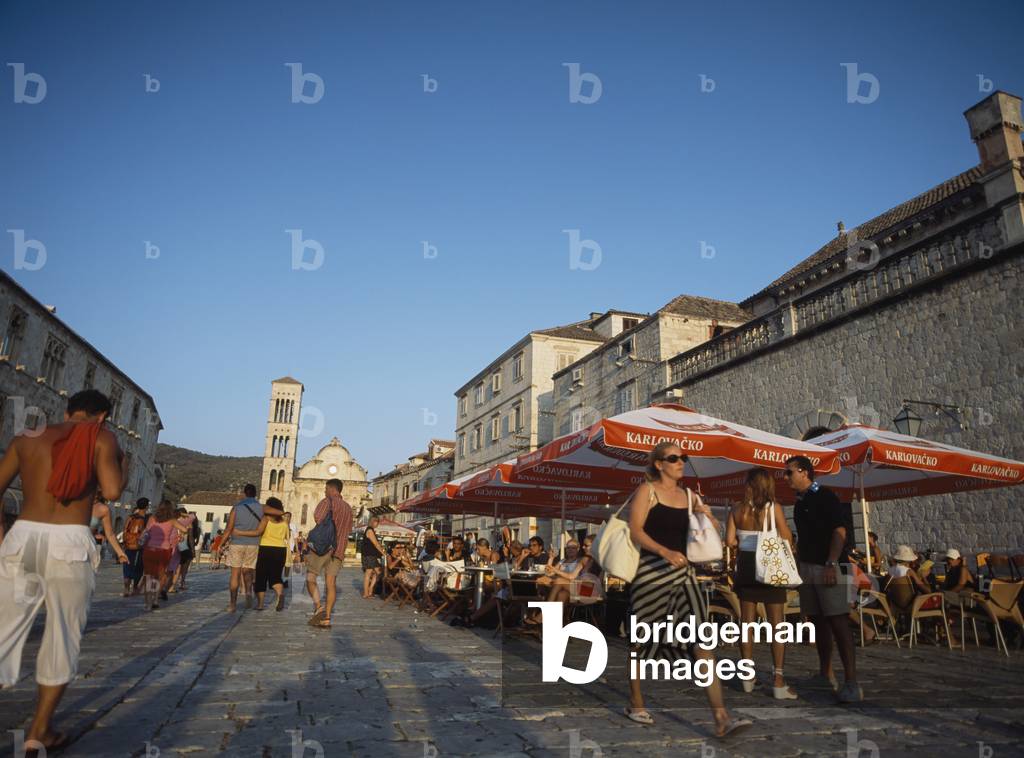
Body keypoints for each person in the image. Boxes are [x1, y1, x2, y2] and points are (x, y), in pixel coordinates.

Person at [0, 389, 127, 753]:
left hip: (25, 538)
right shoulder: (101, 438)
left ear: (68, 410)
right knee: (61, 636)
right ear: (101, 416)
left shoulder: (28, 438)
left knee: (3, 630)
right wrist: (119, 457)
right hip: (69, 542)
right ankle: (39, 732)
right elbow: (114, 490)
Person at [624, 442, 750, 736]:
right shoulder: (648, 491)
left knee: (702, 640)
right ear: (658, 464)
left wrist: (707, 515)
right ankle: (635, 700)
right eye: (673, 458)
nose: (681, 462)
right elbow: (635, 529)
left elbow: (709, 534)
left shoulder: (690, 495)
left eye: (684, 457)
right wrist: (664, 551)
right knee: (640, 640)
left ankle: (721, 718)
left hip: (685, 575)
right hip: (651, 574)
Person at [788, 454, 862, 703]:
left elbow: (839, 531)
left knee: (838, 621)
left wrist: (831, 562)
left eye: (789, 473)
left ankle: (851, 681)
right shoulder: (800, 502)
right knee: (818, 621)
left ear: (804, 472)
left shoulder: (825, 496)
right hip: (809, 567)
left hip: (828, 566)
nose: (786, 478)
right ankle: (825, 673)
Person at [726, 468, 797, 699]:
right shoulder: (773, 508)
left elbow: (729, 541)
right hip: (770, 564)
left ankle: (747, 676)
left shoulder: (736, 509)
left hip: (747, 565)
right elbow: (786, 536)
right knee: (776, 625)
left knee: (746, 623)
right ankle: (778, 679)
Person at [305, 478, 354, 629]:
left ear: (332, 489)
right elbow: (349, 530)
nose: (324, 492)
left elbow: (318, 518)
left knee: (310, 578)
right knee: (331, 584)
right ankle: (326, 618)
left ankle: (319, 606)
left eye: (326, 489)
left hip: (322, 548)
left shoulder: (327, 501)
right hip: (338, 551)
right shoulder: (348, 508)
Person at [238, 497, 289, 611]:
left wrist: (241, 532)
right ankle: (280, 594)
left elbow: (258, 532)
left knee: (261, 577)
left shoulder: (265, 519)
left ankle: (260, 605)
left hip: (265, 549)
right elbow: (286, 537)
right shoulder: (284, 522)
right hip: (280, 550)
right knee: (275, 577)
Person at [220, 484, 263, 612]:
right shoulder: (261, 508)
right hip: (253, 544)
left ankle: (233, 604)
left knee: (235, 574)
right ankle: (249, 593)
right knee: (248, 571)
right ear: (255, 494)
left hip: (237, 543)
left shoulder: (236, 508)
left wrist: (220, 544)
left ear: (245, 493)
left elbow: (228, 529)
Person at [141, 500, 191, 610]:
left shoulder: (152, 518)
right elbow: (184, 529)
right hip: (164, 550)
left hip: (150, 549)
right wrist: (181, 535)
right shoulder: (172, 520)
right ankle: (155, 599)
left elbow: (146, 532)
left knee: (149, 576)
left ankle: (148, 604)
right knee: (159, 576)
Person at [120, 498, 149, 596]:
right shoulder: (145, 519)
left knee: (128, 566)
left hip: (128, 544)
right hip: (140, 546)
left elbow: (124, 530)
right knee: (139, 567)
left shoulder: (130, 517)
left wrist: (124, 542)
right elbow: (145, 533)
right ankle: (135, 587)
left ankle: (126, 589)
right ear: (146, 507)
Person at [361, 516, 385, 598]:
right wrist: (383, 553)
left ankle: (369, 590)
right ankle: (366, 593)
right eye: (377, 522)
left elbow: (375, 543)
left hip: (369, 554)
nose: (378, 524)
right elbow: (375, 543)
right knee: (371, 573)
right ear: (374, 522)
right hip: (369, 555)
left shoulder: (370, 530)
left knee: (377, 572)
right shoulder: (370, 530)